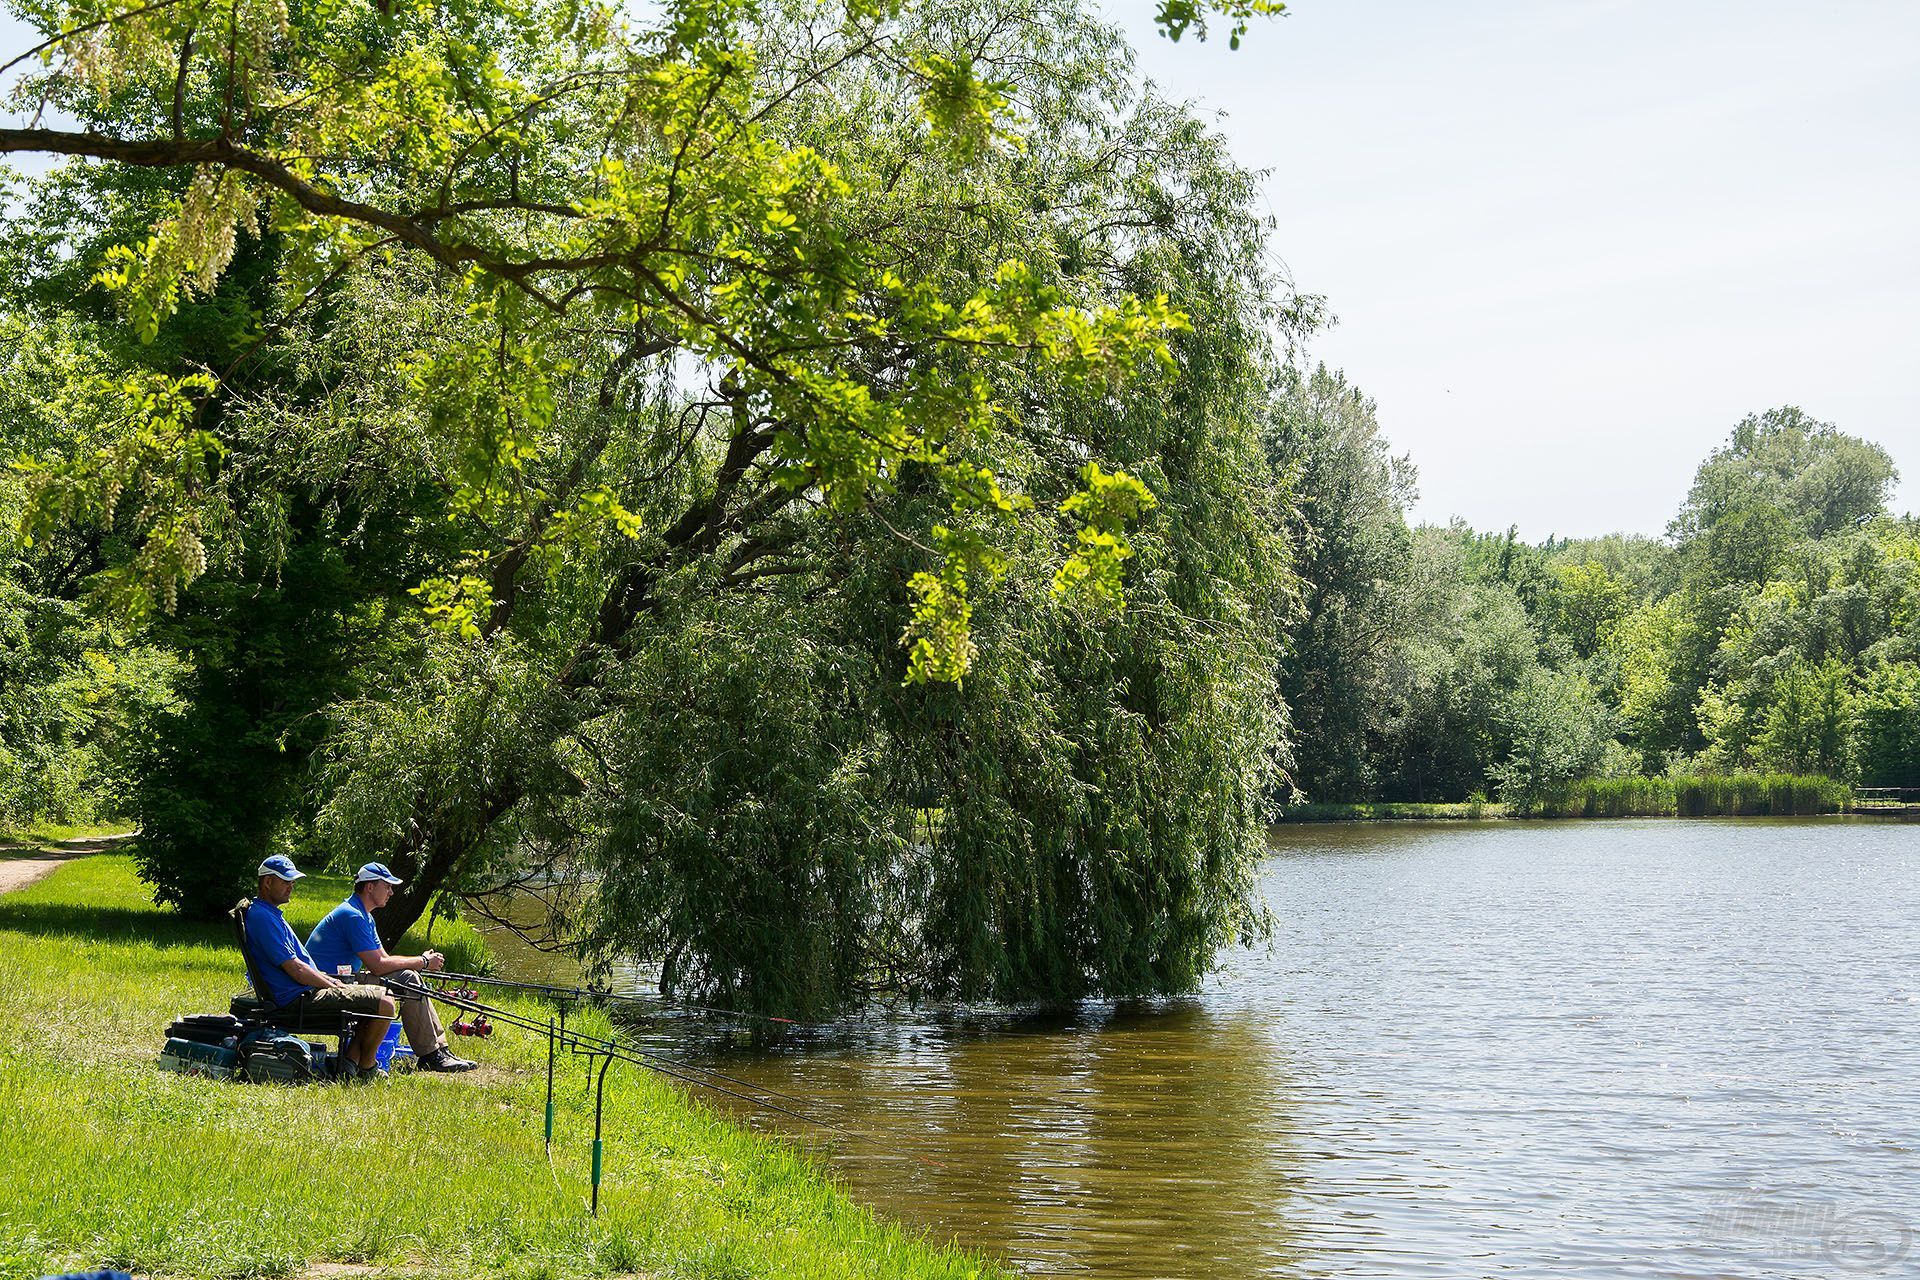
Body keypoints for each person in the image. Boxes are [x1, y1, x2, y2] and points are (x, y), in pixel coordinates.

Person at [307, 861, 478, 1074]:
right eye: (386, 886)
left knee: (407, 976)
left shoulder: (364, 915)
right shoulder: (352, 915)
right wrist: (423, 961)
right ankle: (432, 1054)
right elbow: (378, 967)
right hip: (328, 983)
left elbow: (384, 961)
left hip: (344, 979)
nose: (391, 892)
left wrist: (419, 962)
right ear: (369, 887)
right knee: (408, 978)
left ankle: (439, 1051)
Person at [244, 855, 397, 1082]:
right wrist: (330, 983)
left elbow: (300, 966)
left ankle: (349, 1064)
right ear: (267, 882)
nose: (291, 887)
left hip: (303, 990)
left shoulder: (268, 914)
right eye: (286, 882)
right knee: (384, 1002)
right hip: (295, 998)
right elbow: (295, 969)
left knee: (380, 995)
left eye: (293, 882)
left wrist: (327, 979)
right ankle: (367, 1067)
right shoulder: (262, 917)